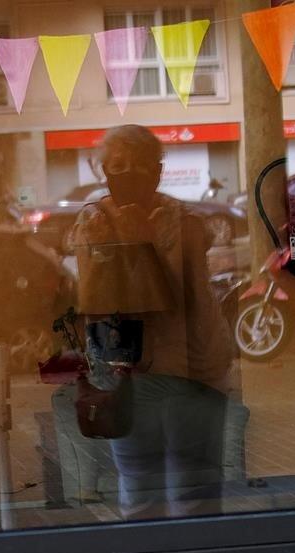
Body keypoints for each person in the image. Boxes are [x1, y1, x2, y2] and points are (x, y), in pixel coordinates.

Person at [66, 124, 236, 518]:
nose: (126, 174)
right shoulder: (94, 223)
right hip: (132, 375)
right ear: (103, 169)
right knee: (143, 484)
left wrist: (143, 241)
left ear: (157, 171)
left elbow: (182, 300)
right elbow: (94, 304)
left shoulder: (184, 222)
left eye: (139, 165)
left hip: (190, 373)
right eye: (116, 164)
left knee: (190, 487)